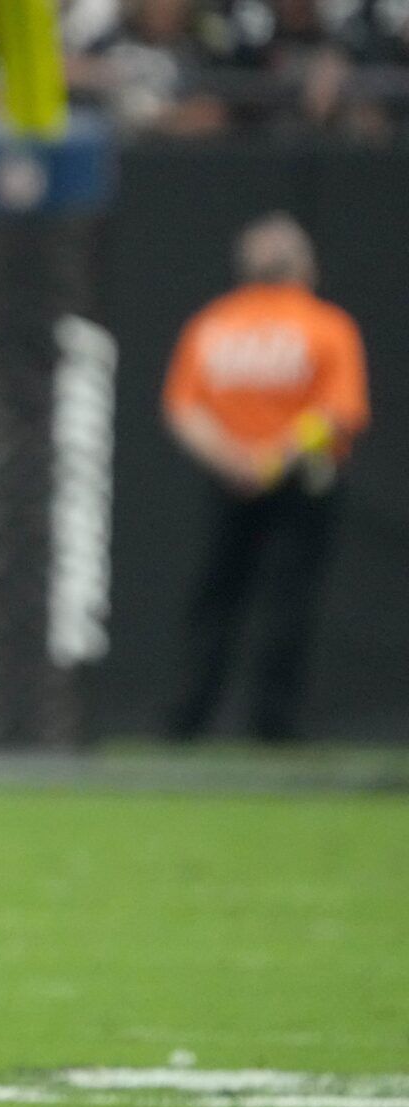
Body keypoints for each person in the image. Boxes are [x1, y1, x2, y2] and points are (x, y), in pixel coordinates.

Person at [161, 212, 369, 742]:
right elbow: (338, 414)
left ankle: (186, 724)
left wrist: (236, 461)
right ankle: (273, 730)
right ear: (303, 266)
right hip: (301, 482)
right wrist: (272, 459)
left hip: (229, 482)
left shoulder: (213, 323)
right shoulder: (325, 325)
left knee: (215, 602)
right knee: (288, 605)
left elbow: (184, 410)